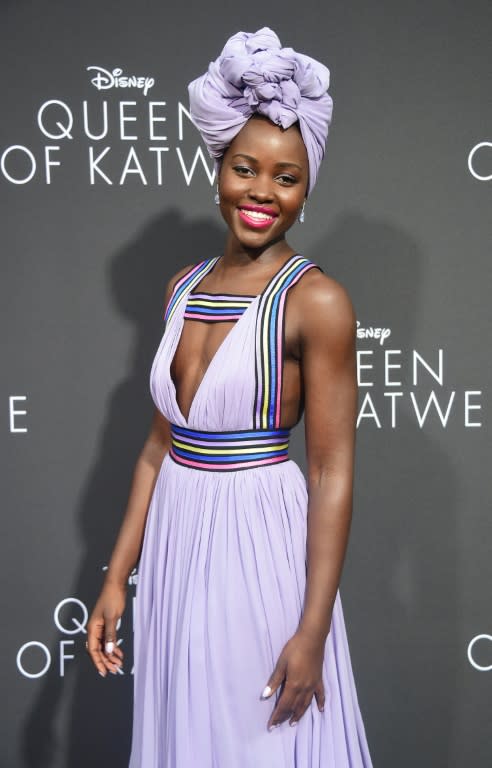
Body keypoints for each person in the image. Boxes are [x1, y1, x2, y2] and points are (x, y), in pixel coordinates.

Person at [87, 27, 373, 767]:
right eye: (246, 169)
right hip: (181, 538)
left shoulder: (318, 302)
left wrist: (311, 630)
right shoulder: (181, 288)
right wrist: (117, 577)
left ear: (308, 190)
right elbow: (157, 447)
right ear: (219, 168)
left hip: (259, 543)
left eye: (287, 178)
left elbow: (331, 471)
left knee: (260, 740)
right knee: (191, 733)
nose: (262, 193)